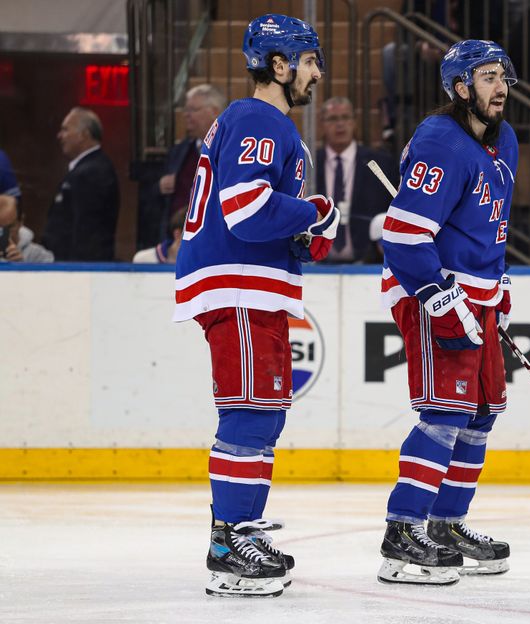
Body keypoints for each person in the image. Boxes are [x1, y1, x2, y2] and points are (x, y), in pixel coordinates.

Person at [172, 14, 339, 598]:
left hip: (250, 285)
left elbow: (259, 215)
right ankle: (229, 541)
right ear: (279, 64)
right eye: (311, 61)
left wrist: (306, 230)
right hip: (237, 286)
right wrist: (313, 210)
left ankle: (240, 528)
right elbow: (246, 210)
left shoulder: (258, 123)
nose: (318, 74)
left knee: (264, 413)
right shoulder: (257, 117)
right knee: (249, 413)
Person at [377, 39, 518, 585]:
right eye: (486, 77)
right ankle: (402, 533)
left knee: (480, 415)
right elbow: (405, 237)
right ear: (460, 87)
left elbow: (489, 225)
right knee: (444, 417)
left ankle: (445, 525)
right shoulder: (439, 139)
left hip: (477, 294)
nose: (499, 86)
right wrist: (439, 298)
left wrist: (497, 287)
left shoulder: (505, 139)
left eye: (502, 75)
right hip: (431, 291)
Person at [315, 97, 397, 263]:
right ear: (322, 124)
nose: (340, 124)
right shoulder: (310, 164)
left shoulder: (381, 164)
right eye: (332, 119)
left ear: (354, 122)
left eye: (345, 117)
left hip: (369, 265)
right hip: (316, 263)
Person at [42, 107, 119, 261]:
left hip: (77, 271)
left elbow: (87, 233)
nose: (60, 136)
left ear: (84, 135)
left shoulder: (92, 172)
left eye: (65, 130)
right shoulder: (86, 169)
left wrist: (76, 271)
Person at [158, 85, 226, 234]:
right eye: (186, 110)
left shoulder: (230, 149)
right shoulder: (179, 151)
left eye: (193, 110)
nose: (186, 115)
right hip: (177, 236)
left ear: (214, 112)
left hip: (214, 234)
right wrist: (162, 185)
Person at [0, 198, 54, 263]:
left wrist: (20, 267)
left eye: (10, 227)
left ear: (21, 221)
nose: (2, 234)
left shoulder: (39, 256)